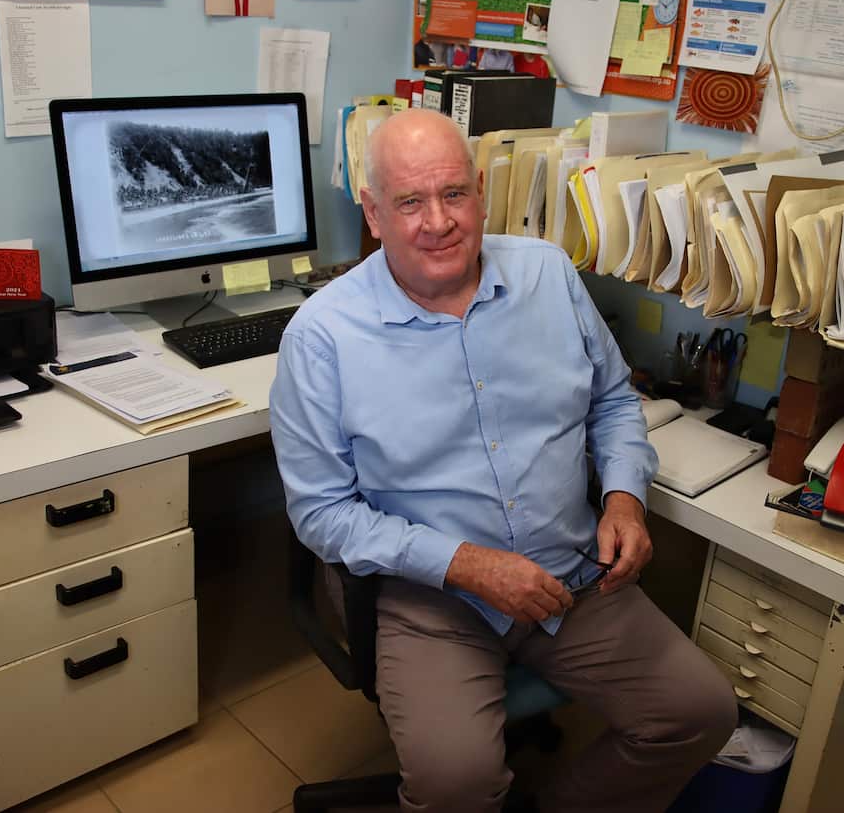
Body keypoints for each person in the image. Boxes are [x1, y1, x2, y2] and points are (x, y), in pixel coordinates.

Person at [270, 109, 735, 813]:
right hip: (434, 598)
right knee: (455, 782)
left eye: (454, 193)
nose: (438, 221)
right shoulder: (322, 337)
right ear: (373, 213)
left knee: (702, 711)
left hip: (573, 577)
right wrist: (470, 565)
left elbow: (612, 400)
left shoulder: (547, 274)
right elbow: (321, 512)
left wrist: (622, 498)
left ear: (481, 191)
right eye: (409, 202)